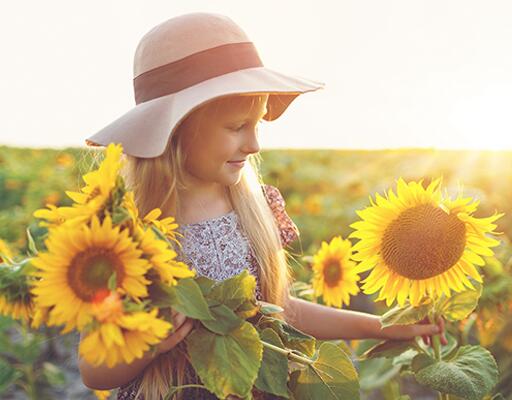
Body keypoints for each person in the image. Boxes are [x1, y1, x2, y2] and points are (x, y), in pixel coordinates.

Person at [78, 12, 448, 400]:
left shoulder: (254, 208)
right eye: (237, 127)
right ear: (176, 128)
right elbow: (92, 370)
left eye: (257, 125)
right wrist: (151, 342)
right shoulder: (123, 233)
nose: (254, 144)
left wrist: (382, 327)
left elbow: (279, 311)